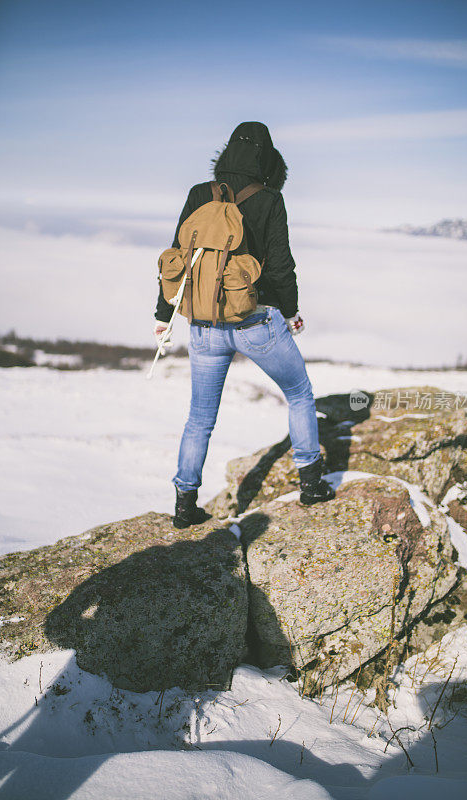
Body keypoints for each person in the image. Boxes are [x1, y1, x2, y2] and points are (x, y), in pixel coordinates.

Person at [154, 121, 334, 528]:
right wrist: (290, 310)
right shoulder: (270, 199)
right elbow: (282, 263)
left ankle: (184, 504)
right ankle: (310, 482)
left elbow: (177, 258)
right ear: (267, 159)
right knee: (300, 393)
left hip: (204, 323)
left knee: (200, 418)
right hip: (257, 321)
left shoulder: (200, 195)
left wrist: (163, 315)